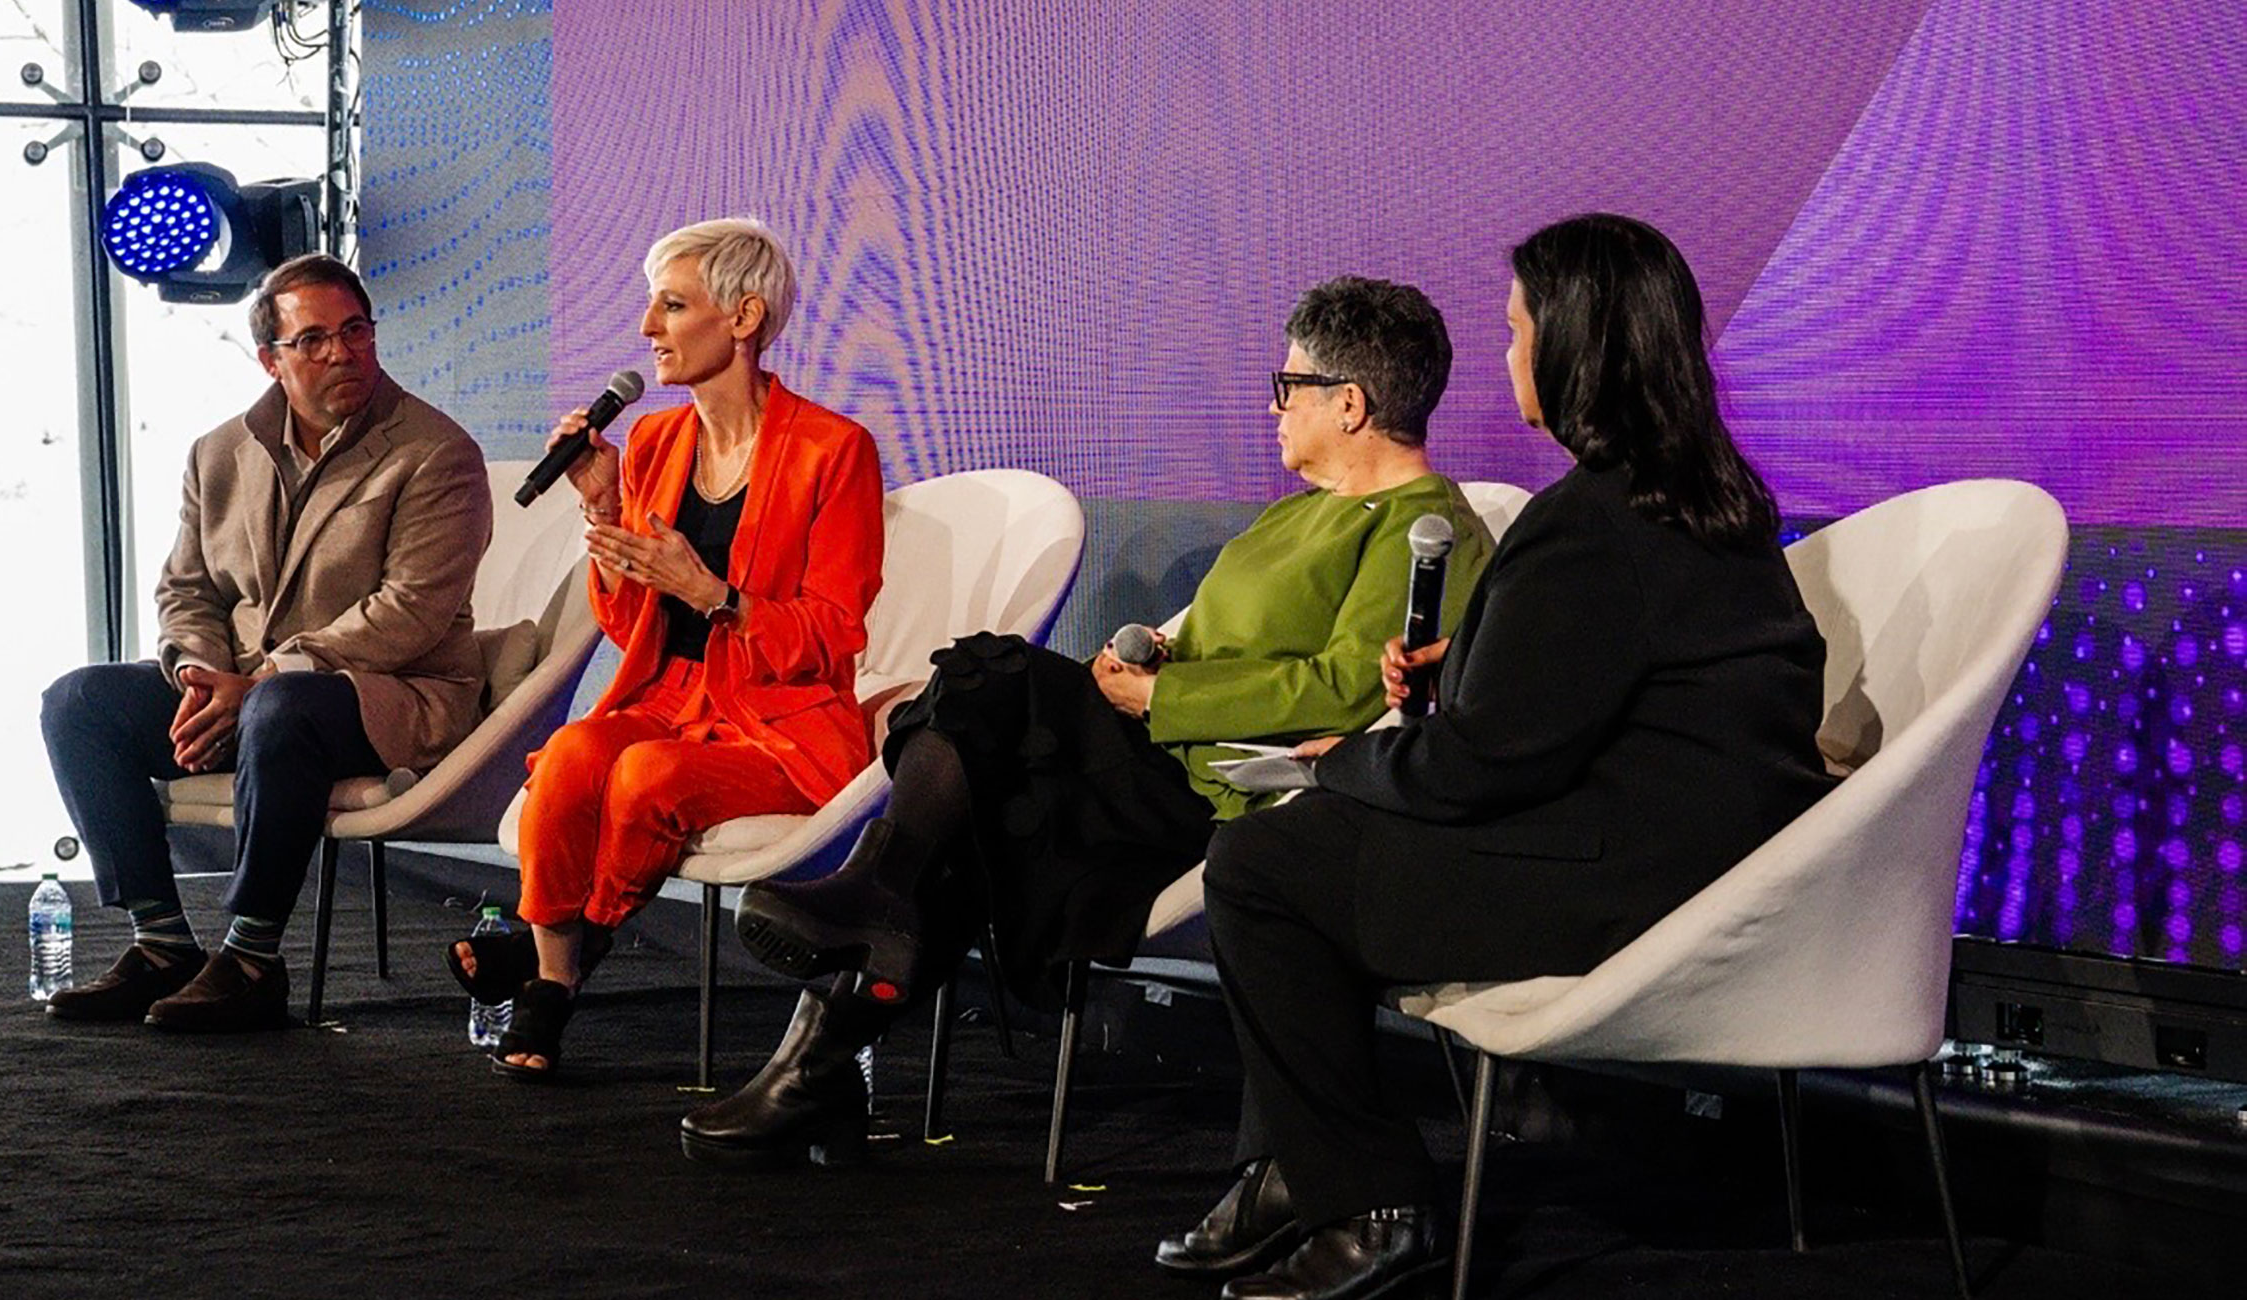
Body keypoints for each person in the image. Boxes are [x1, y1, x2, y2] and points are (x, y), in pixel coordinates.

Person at [1160, 213, 1843, 1300]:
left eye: (1518, 330)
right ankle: (1300, 1166)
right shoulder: (1712, 496)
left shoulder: (1592, 522)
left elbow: (1474, 770)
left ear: (1576, 345)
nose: (1507, 355)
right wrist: (1461, 683)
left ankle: (1370, 1201)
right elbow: (1598, 696)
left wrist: (1341, 759)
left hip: (1629, 882)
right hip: (1718, 863)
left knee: (1266, 867)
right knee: (1311, 849)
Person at [683, 275, 1495, 1166]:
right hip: (1156, 750)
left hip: (1226, 791)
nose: (1273, 407)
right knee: (985, 758)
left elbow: (1353, 687)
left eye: (1286, 387)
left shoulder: (1428, 527)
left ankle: (856, 959)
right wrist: (1155, 658)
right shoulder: (1297, 516)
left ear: (1350, 403)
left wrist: (1164, 698)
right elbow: (1236, 641)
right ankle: (831, 1032)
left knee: (995, 676)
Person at [447, 217, 886, 1080]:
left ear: (745, 317)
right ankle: (554, 972)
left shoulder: (835, 451)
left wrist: (715, 596)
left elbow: (835, 635)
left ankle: (555, 973)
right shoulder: (654, 442)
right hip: (669, 694)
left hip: (782, 717)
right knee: (571, 758)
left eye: (673, 305)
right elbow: (625, 625)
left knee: (648, 778)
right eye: (652, 305)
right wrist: (603, 509)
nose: (648, 328)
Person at [39, 253, 490, 1032]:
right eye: (313, 339)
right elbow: (189, 591)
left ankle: (250, 959)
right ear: (271, 360)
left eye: (355, 331)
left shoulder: (435, 452)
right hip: (245, 695)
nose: (342, 352)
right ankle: (162, 942)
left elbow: (410, 612)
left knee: (281, 706)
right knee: (79, 701)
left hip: (385, 698)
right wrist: (200, 676)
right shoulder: (219, 454)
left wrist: (265, 679)